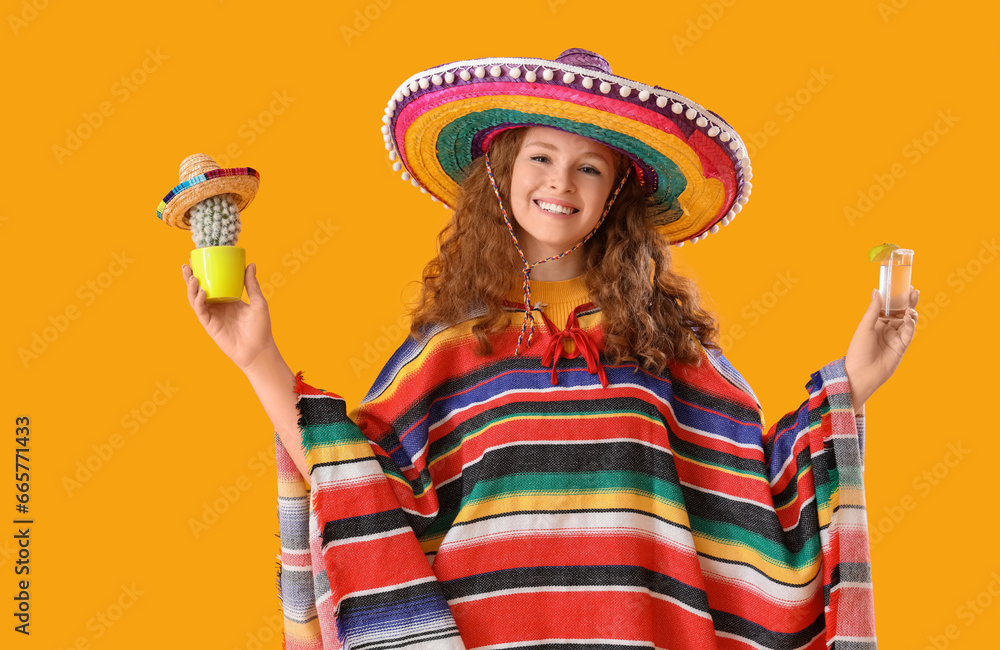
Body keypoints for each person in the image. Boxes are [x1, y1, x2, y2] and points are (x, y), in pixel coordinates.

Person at [181, 49, 918, 649]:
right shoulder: (448, 351)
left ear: (616, 194)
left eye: (589, 166)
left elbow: (759, 499)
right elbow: (352, 487)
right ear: (503, 171)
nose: (560, 182)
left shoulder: (668, 351)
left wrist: (855, 379)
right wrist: (257, 355)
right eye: (540, 156)